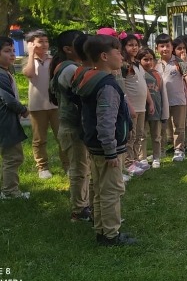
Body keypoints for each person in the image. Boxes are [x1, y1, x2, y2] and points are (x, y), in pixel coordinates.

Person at [75, 35, 136, 246]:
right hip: (107, 149)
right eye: (117, 52)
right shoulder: (107, 85)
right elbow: (106, 121)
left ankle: (101, 229)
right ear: (104, 56)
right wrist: (111, 150)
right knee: (111, 191)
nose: (121, 55)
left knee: (100, 190)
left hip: (95, 146)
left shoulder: (89, 78)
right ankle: (111, 235)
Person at [50, 30, 93, 220]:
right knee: (79, 169)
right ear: (68, 49)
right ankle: (79, 209)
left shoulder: (71, 66)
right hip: (72, 127)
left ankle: (84, 204)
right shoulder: (69, 69)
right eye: (79, 41)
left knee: (84, 167)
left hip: (74, 127)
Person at [22, 29, 68, 179]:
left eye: (46, 41)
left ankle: (67, 165)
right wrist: (31, 54)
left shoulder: (52, 59)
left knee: (62, 136)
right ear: (31, 44)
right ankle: (42, 167)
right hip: (37, 106)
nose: (44, 44)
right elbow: (30, 74)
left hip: (55, 105)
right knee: (39, 139)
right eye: (40, 41)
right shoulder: (28, 60)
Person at [0, 37, 30, 200]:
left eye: (12, 50)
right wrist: (23, 110)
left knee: (10, 156)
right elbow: (8, 99)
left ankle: (7, 187)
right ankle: (10, 192)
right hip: (5, 121)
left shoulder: (5, 71)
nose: (11, 54)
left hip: (7, 119)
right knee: (13, 157)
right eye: (6, 51)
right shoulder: (1, 74)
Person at [155, 34, 187, 162]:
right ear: (157, 48)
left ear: (172, 47)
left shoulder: (179, 62)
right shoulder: (155, 64)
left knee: (179, 126)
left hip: (178, 99)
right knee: (162, 127)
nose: (165, 48)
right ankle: (161, 150)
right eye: (162, 46)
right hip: (161, 102)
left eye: (167, 45)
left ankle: (179, 150)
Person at [120, 34, 151, 175]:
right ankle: (128, 163)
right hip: (131, 106)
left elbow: (144, 84)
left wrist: (150, 102)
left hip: (141, 106)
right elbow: (123, 87)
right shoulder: (123, 65)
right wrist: (129, 106)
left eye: (136, 45)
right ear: (124, 47)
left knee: (139, 134)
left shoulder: (137, 64)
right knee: (130, 136)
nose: (134, 47)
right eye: (130, 45)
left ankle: (135, 159)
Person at [138, 48, 169, 169]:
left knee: (156, 135)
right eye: (145, 59)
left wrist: (163, 110)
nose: (149, 62)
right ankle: (142, 158)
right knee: (142, 134)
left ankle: (156, 157)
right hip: (141, 107)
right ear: (139, 60)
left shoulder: (157, 74)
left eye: (151, 59)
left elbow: (162, 93)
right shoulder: (137, 74)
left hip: (155, 108)